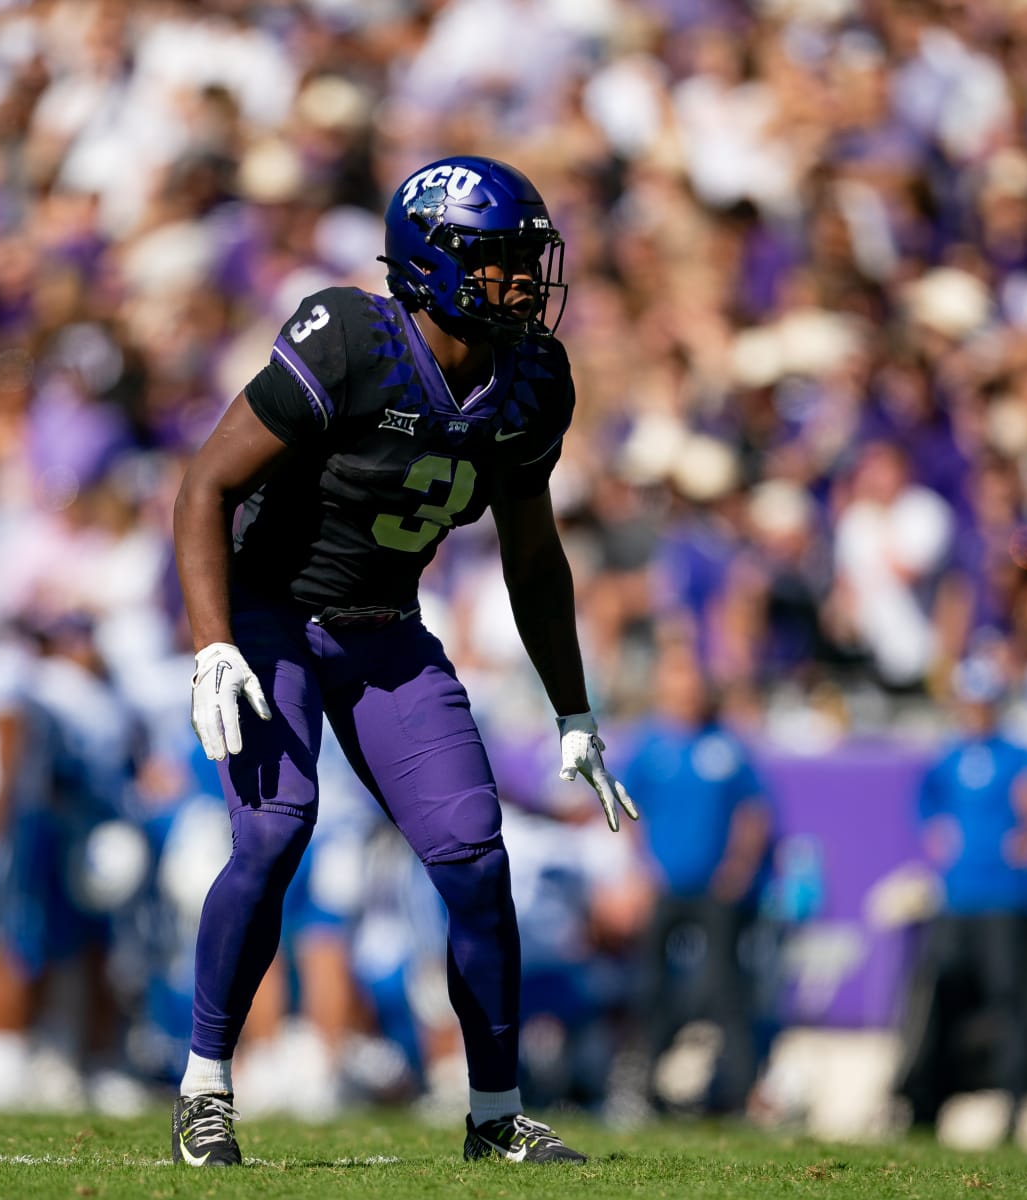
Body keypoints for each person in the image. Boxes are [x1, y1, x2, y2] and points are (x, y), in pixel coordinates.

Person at [170, 155, 635, 1166]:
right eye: (501, 260)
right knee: (276, 831)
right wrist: (213, 644)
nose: (522, 281)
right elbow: (206, 484)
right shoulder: (350, 340)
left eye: (527, 260)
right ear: (435, 261)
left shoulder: (530, 379)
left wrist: (573, 711)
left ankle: (494, 1113)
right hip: (273, 612)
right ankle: (206, 1085)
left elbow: (532, 552)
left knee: (474, 857)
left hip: (383, 626)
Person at [617, 639, 769, 1115]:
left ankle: (740, 1090)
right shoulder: (651, 745)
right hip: (665, 887)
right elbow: (626, 806)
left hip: (714, 890)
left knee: (724, 988)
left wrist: (739, 867)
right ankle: (646, 1088)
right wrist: (640, 868)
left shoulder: (725, 745)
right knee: (654, 987)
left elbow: (754, 811)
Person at [895, 654, 1027, 1132]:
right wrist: (936, 833)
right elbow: (925, 804)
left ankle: (1014, 1106)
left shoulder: (1018, 757)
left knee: (1009, 1005)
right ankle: (927, 1103)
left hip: (1005, 898)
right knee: (944, 1003)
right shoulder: (948, 758)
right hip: (958, 899)